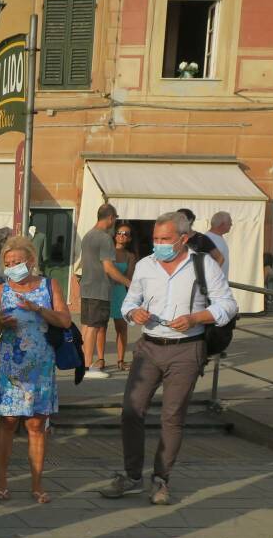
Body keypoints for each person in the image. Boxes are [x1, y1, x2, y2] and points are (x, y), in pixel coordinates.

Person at [99, 211, 237, 505]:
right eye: (155, 239)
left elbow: (228, 304)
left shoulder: (204, 264)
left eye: (165, 239)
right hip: (149, 347)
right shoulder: (147, 265)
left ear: (183, 239)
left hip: (187, 349)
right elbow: (130, 301)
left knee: (172, 417)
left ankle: (161, 480)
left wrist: (197, 317)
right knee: (131, 411)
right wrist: (133, 312)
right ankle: (132, 475)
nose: (158, 244)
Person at [0, 235, 71, 504]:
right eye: (8, 263)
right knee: (8, 422)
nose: (13, 266)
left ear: (31, 261)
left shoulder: (49, 286)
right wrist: (0, 322)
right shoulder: (0, 291)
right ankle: (1, 481)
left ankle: (37, 484)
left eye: (17, 261)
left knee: (36, 424)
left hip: (41, 365)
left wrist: (38, 309)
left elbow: (65, 320)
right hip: (12, 366)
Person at [79, 204, 131, 379]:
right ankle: (87, 368)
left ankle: (84, 365)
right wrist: (128, 282)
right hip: (99, 289)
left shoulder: (87, 236)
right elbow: (108, 267)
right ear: (110, 218)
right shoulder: (105, 238)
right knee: (94, 327)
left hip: (86, 287)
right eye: (115, 218)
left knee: (87, 326)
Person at [109, 221, 138, 371]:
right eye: (119, 233)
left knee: (122, 328)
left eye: (125, 234)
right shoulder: (107, 251)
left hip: (120, 292)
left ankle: (120, 360)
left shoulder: (130, 255)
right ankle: (100, 359)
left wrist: (115, 276)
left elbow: (129, 276)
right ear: (115, 235)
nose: (122, 236)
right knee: (100, 329)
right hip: (105, 291)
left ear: (130, 239)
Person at [205, 211, 232, 278]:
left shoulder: (217, 237)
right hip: (214, 286)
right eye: (229, 223)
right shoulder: (210, 239)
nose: (231, 224)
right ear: (222, 224)